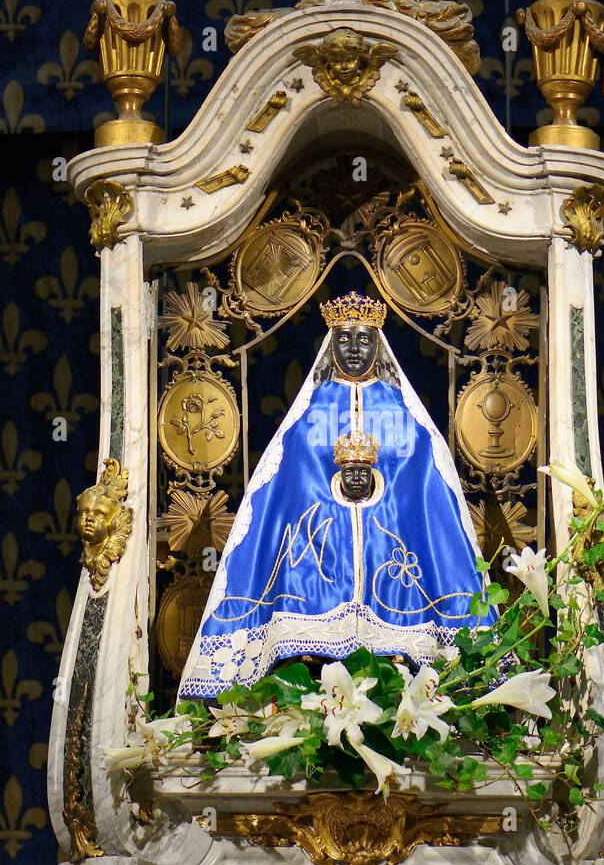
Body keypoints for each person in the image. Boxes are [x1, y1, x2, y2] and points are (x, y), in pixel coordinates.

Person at [178, 292, 494, 699]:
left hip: (395, 560)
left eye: (364, 339)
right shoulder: (312, 407)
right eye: (344, 339)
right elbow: (286, 483)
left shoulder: (401, 409)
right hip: (318, 555)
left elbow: (426, 487)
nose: (355, 349)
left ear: (378, 345)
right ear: (331, 345)